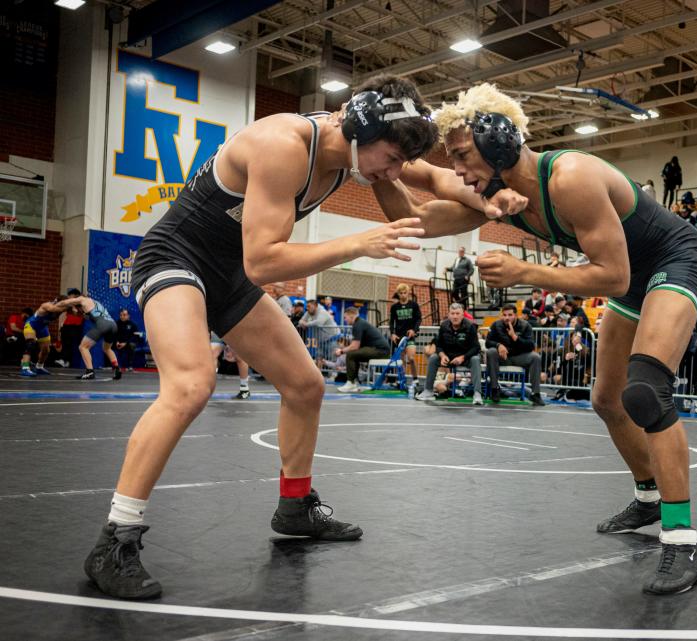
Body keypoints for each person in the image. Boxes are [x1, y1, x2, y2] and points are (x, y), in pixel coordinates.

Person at [82, 74, 530, 601]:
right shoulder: (282, 144)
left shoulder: (362, 150)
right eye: (388, 160)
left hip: (230, 274)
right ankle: (116, 538)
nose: (392, 174)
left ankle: (295, 507)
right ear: (359, 129)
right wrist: (359, 242)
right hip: (178, 257)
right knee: (190, 385)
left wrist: (490, 198)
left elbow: (434, 181)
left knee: (305, 385)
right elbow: (264, 259)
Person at [377, 83, 697, 594]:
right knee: (606, 399)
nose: (462, 170)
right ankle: (649, 498)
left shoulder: (571, 177)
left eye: (466, 155)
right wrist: (377, 159)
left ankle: (682, 541)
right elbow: (421, 207)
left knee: (646, 391)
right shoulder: (501, 195)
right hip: (623, 271)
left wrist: (523, 273)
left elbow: (614, 279)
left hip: (670, 261)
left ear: (497, 143)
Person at [416, 303, 482, 404]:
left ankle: (477, 394)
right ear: (449, 315)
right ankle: (428, 391)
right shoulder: (443, 325)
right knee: (434, 358)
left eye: (457, 313)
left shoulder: (470, 326)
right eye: (452, 313)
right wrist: (442, 355)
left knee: (476, 359)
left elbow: (476, 347)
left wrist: (463, 357)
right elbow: (438, 345)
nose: (455, 316)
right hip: (449, 357)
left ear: (462, 315)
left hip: (465, 358)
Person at [484, 304, 545, 406]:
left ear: (516, 315)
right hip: (503, 357)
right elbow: (487, 342)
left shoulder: (525, 325)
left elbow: (530, 346)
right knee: (491, 352)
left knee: (535, 357)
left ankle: (535, 393)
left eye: (510, 315)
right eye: (504, 315)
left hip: (519, 357)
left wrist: (515, 337)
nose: (507, 317)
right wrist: (498, 345)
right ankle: (495, 388)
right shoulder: (496, 325)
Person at [59, 293, 122, 381]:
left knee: (83, 347)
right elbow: (87, 316)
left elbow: (67, 302)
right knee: (107, 348)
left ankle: (90, 372)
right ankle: (116, 368)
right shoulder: (94, 303)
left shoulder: (82, 299)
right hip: (113, 324)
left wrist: (57, 304)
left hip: (103, 324)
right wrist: (77, 313)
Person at [336, 306, 391, 393]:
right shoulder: (359, 323)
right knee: (354, 355)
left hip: (381, 351)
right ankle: (354, 382)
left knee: (351, 354)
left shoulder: (358, 324)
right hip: (379, 350)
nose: (345, 320)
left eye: (345, 317)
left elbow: (354, 346)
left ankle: (350, 383)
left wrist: (341, 351)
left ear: (351, 316)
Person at [20, 297, 70, 377]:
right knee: (30, 344)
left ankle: (39, 367)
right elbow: (54, 309)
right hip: (32, 325)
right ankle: (25, 368)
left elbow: (76, 312)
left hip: (43, 328)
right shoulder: (46, 305)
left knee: (46, 350)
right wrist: (70, 304)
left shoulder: (62, 308)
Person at [388, 283, 422, 383]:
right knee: (400, 361)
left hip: (409, 336)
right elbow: (391, 321)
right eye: (401, 293)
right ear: (398, 294)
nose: (403, 295)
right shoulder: (394, 307)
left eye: (405, 293)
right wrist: (392, 333)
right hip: (399, 336)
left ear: (408, 293)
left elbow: (419, 319)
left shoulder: (414, 305)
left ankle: (415, 379)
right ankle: (401, 380)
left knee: (411, 358)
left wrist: (414, 330)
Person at [210, 332, 251, 399]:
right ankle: (209, 388)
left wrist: (229, 342)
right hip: (218, 330)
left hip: (234, 329)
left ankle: (244, 389)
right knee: (211, 354)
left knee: (239, 356)